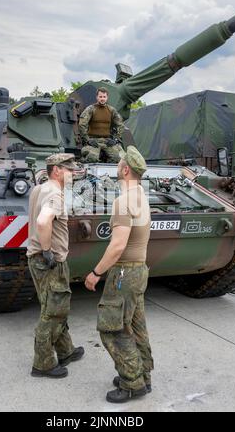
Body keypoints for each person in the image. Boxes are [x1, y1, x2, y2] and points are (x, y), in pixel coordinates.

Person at [85, 146, 154, 403]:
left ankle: (132, 383)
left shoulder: (122, 201)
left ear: (125, 170)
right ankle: (142, 374)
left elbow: (117, 246)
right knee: (136, 327)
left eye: (119, 163)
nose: (117, 166)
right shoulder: (141, 196)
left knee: (111, 329)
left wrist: (95, 273)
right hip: (140, 271)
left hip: (124, 272)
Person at [27, 153, 84, 379]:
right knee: (53, 311)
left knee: (55, 306)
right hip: (48, 261)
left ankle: (65, 351)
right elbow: (42, 221)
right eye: (69, 170)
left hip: (37, 259)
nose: (73, 173)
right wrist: (48, 250)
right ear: (57, 170)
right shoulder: (54, 194)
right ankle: (43, 364)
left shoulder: (39, 188)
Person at [79, 87, 125, 163]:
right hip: (94, 141)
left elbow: (120, 125)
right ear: (97, 97)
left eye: (104, 97)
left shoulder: (111, 110)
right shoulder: (91, 109)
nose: (102, 99)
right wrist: (87, 139)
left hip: (107, 141)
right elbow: (82, 124)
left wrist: (116, 139)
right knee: (92, 158)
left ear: (107, 97)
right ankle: (82, 162)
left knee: (118, 158)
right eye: (100, 97)